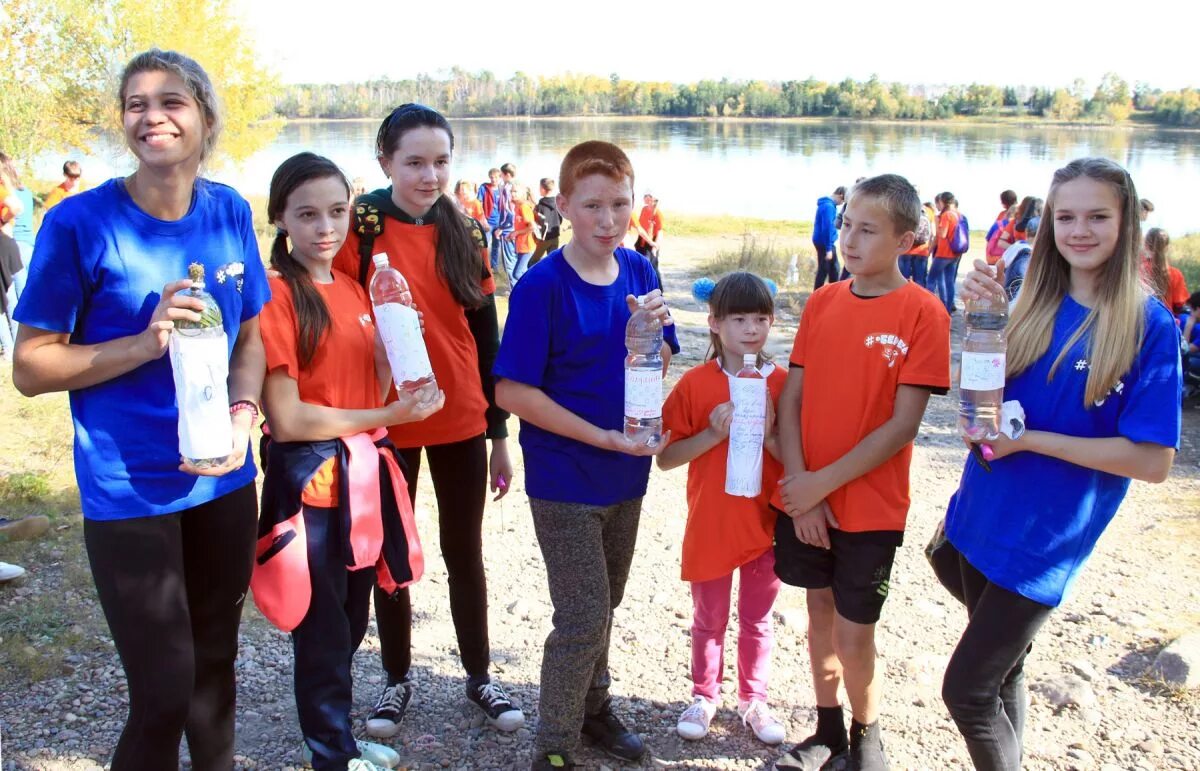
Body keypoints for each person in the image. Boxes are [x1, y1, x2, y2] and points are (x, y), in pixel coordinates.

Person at [11, 49, 269, 770]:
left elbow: (252, 336)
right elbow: (30, 367)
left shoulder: (227, 210)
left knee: (215, 675)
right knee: (162, 692)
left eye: (172, 101)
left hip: (222, 478)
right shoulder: (79, 225)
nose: (152, 115)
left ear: (205, 117)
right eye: (135, 103)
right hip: (129, 490)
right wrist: (142, 342)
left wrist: (245, 414)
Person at [933, 157, 1180, 771]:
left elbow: (1151, 461)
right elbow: (982, 405)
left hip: (1042, 541)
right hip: (981, 515)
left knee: (965, 692)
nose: (1079, 230)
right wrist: (981, 323)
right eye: (1065, 216)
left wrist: (1031, 441)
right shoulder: (1032, 301)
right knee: (1006, 673)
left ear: (1126, 223)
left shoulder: (1149, 325)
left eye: (1098, 216)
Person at [331, 104, 523, 739]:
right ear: (384, 163)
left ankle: (479, 676)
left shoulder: (465, 231)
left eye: (441, 161)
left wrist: (499, 435)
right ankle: (396, 679)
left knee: (462, 548)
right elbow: (337, 318)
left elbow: (484, 332)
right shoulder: (358, 228)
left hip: (461, 413)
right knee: (392, 553)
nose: (429, 174)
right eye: (414, 162)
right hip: (388, 418)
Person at [493, 140, 680, 770]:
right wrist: (597, 436)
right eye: (593, 205)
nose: (608, 219)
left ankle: (595, 709)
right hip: (565, 477)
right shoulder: (543, 285)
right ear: (565, 205)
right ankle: (554, 746)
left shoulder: (640, 271)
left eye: (619, 204)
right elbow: (513, 389)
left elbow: (661, 359)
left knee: (609, 602)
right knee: (581, 614)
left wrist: (656, 338)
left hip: (627, 472)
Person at [256, 152, 442, 771]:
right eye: (307, 215)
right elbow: (288, 418)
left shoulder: (359, 288)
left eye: (336, 211)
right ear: (281, 218)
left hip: (364, 474)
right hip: (313, 476)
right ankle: (330, 753)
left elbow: (371, 383)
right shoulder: (279, 295)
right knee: (320, 624)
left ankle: (338, 733)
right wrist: (390, 420)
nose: (324, 228)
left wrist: (397, 344)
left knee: (353, 612)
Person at [771, 174, 951, 771]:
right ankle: (827, 730)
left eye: (867, 230)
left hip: (870, 507)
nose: (849, 239)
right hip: (805, 496)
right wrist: (803, 491)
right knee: (817, 615)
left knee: (855, 633)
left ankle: (867, 735)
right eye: (845, 224)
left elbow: (902, 426)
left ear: (904, 239)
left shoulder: (924, 312)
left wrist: (823, 486)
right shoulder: (823, 301)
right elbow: (791, 401)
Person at [658, 272, 787, 746]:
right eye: (738, 318)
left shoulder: (784, 382)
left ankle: (754, 700)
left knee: (758, 618)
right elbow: (666, 458)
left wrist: (771, 434)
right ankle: (704, 694)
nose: (751, 328)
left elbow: (797, 458)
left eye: (761, 318)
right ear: (713, 323)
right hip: (712, 521)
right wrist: (712, 434)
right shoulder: (695, 384)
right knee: (708, 618)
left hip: (766, 522)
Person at [1142, 228, 1189, 314]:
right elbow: (1179, 305)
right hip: (1166, 323)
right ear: (1167, 248)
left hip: (1138, 322)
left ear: (1146, 245)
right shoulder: (1175, 274)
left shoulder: (1138, 271)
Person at [929, 191, 961, 314]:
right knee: (949, 281)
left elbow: (942, 234)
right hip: (955, 253)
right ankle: (947, 308)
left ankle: (929, 306)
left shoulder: (947, 215)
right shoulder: (958, 214)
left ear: (942, 202)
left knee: (931, 278)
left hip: (943, 253)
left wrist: (938, 225)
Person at [1000, 216, 1040, 301]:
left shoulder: (1015, 247)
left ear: (1026, 231)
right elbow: (1019, 285)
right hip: (1014, 303)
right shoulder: (1026, 255)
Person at [505, 184, 536, 283]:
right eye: (511, 191)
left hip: (527, 246)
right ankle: (530, 293)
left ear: (522, 193)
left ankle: (536, 289)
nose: (512, 194)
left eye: (515, 192)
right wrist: (512, 234)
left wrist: (517, 232)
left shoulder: (524, 207)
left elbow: (532, 227)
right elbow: (521, 226)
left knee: (517, 274)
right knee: (523, 272)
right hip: (521, 246)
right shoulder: (517, 207)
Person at [813, 187, 843, 289]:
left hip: (822, 241)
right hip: (824, 242)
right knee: (827, 270)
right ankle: (819, 296)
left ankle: (831, 293)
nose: (842, 203)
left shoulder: (826, 204)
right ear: (840, 195)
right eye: (842, 201)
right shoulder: (829, 206)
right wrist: (829, 248)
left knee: (831, 269)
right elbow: (827, 227)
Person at [634, 191, 665, 284]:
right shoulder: (644, 209)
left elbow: (660, 232)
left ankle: (658, 290)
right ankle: (644, 289)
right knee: (640, 266)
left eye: (649, 197)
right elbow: (640, 227)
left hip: (652, 243)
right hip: (641, 242)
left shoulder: (658, 213)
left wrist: (655, 247)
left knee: (652, 268)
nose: (647, 199)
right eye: (645, 197)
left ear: (653, 200)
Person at [530, 178, 562, 267]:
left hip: (544, 238)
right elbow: (560, 219)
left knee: (531, 263)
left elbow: (537, 221)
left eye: (539, 188)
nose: (538, 190)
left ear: (543, 189)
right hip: (555, 236)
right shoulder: (558, 203)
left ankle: (536, 279)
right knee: (553, 262)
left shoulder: (540, 205)